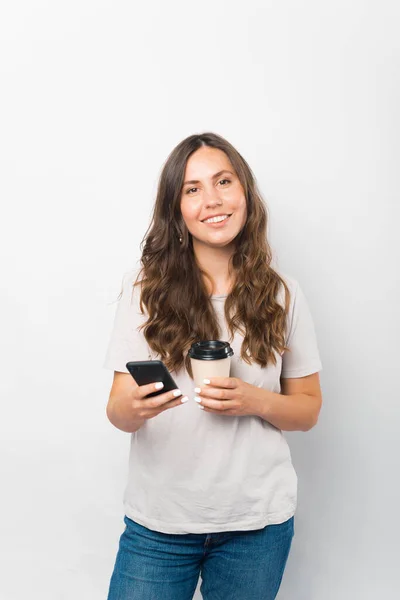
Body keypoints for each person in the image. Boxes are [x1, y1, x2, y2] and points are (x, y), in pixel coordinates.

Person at [103, 132, 323, 600]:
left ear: (245, 191)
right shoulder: (144, 290)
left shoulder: (283, 294)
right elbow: (117, 411)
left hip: (256, 526)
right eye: (192, 188)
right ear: (176, 209)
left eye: (224, 181)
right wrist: (137, 409)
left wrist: (253, 400)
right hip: (159, 525)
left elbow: (308, 411)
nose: (213, 200)